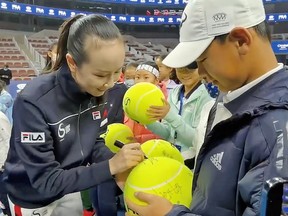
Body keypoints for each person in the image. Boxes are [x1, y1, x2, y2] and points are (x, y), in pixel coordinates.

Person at [125, 0, 288, 215]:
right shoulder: (227, 98)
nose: (200, 72)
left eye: (202, 59)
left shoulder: (278, 130)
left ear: (240, 40)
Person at [2, 14, 144, 216]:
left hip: (69, 188)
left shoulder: (96, 90)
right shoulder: (33, 101)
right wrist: (111, 166)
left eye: (116, 72)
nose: (110, 83)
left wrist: (122, 163)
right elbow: (46, 181)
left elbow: (93, 142)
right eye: (101, 75)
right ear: (72, 63)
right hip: (31, 199)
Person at [146, 61, 213, 168]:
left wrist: (169, 116)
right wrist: (148, 121)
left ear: (200, 69)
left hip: (191, 164)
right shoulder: (174, 93)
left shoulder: (207, 97)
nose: (185, 73)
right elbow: (168, 133)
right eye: (180, 70)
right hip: (171, 158)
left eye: (190, 69)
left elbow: (196, 140)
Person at [124, 61, 164, 144]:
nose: (141, 81)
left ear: (156, 80)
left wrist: (139, 139)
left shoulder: (162, 101)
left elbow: (165, 133)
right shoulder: (129, 96)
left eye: (146, 77)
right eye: (137, 77)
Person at [0, 111, 11, 216]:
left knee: (6, 199)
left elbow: (9, 140)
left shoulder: (0, 117)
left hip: (3, 168)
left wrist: (6, 164)